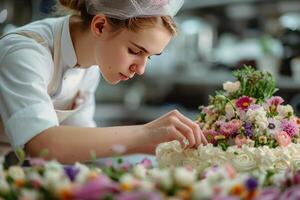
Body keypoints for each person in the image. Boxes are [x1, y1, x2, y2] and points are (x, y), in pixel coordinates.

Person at [0, 0, 207, 164]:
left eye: (149, 57)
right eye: (135, 51)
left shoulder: (90, 68)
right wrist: (145, 134)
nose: (141, 69)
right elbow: (42, 145)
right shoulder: (26, 51)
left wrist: (154, 145)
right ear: (100, 26)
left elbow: (78, 148)